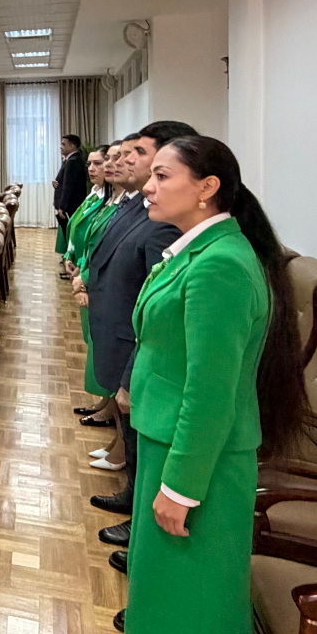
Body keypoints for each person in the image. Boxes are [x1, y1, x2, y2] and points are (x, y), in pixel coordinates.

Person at [120, 135, 304, 634]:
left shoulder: (218, 265)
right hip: (169, 440)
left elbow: (210, 391)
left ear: (207, 188)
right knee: (165, 595)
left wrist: (181, 487)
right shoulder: (199, 252)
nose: (148, 187)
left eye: (162, 176)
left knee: (193, 603)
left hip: (197, 459)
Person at [82, 121, 197, 568]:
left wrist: (131, 374)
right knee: (133, 444)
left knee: (140, 443)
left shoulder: (173, 231)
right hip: (124, 338)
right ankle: (133, 499)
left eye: (139, 155)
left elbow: (156, 315)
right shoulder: (141, 208)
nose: (126, 162)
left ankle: (140, 522)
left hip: (143, 357)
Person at [63, 145, 117, 421]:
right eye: (91, 164)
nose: (94, 168)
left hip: (100, 282)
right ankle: (106, 401)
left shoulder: (117, 203)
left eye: (100, 162)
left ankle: (111, 406)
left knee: (106, 348)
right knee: (96, 342)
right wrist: (73, 259)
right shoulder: (100, 196)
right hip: (86, 273)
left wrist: (84, 273)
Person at [53, 133, 87, 262]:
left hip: (70, 205)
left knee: (69, 233)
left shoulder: (73, 161)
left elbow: (69, 186)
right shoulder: (70, 159)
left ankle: (70, 260)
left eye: (64, 144)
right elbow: (63, 181)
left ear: (72, 146)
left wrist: (62, 206)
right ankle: (69, 259)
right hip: (70, 204)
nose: (61, 147)